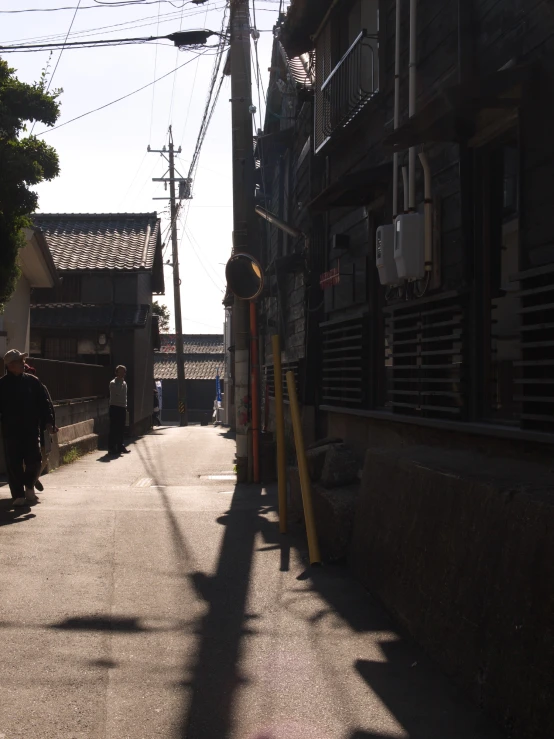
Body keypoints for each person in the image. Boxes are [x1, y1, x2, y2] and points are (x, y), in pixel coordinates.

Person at [0, 349, 55, 506]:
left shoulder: (33, 381)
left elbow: (44, 403)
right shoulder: (2, 385)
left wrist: (49, 422)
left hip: (31, 429)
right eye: (20, 361)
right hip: (10, 431)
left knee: (34, 461)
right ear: (10, 366)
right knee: (14, 463)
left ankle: (29, 484)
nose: (24, 364)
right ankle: (18, 494)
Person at [24, 363, 58, 492]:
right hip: (27, 428)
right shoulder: (18, 389)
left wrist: (51, 423)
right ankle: (30, 482)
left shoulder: (41, 387)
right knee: (27, 459)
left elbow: (48, 406)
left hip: (42, 427)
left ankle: (33, 479)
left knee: (44, 456)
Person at [109, 365, 130, 455]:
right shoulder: (113, 383)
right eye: (120, 372)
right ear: (116, 372)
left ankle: (120, 446)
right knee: (114, 428)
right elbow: (117, 393)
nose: (122, 374)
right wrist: (121, 383)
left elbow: (124, 396)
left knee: (121, 428)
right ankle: (112, 447)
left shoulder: (124, 383)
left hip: (122, 407)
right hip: (114, 407)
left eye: (123, 372)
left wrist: (125, 406)